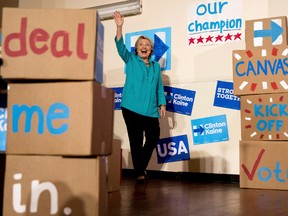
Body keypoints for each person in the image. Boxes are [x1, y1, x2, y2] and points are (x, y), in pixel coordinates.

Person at [113, 11, 167, 184]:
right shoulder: (130, 60)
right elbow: (120, 46)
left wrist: (162, 104)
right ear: (136, 49)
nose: (144, 46)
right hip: (131, 108)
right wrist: (119, 27)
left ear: (151, 49)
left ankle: (139, 167)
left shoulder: (156, 67)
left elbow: (159, 87)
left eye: (147, 45)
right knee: (135, 142)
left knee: (153, 136)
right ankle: (140, 172)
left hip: (151, 110)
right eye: (141, 44)